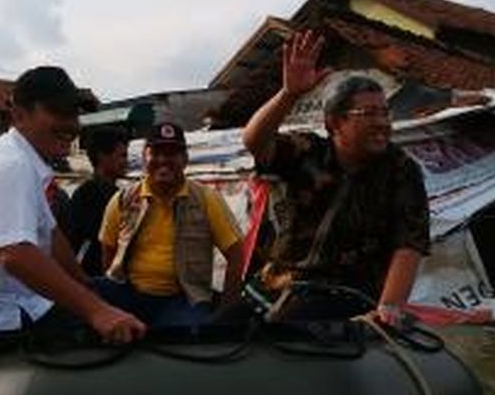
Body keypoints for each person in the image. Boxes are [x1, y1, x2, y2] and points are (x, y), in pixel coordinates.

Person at [0, 66, 146, 344]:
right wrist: (98, 312)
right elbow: (14, 254)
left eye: (74, 114)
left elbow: (50, 234)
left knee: (116, 294)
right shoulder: (11, 165)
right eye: (59, 113)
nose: (72, 125)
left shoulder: (26, 160)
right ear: (19, 115)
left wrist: (86, 285)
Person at [241, 31, 430, 322]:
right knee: (214, 335)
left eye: (384, 113)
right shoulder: (307, 151)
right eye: (368, 113)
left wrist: (390, 306)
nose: (382, 123)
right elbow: (255, 141)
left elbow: (409, 243)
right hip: (275, 285)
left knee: (286, 333)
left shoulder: (401, 170)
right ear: (335, 122)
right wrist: (289, 93)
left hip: (344, 296)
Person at [97, 122, 244, 328]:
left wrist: (225, 310)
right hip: (129, 292)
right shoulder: (123, 199)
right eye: (156, 152)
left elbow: (236, 253)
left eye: (172, 153)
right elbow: (108, 248)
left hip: (183, 299)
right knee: (79, 297)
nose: (163, 160)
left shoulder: (206, 199)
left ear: (185, 159)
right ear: (143, 157)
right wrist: (112, 289)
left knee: (177, 340)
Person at [68, 126, 129, 276]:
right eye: (122, 156)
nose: (126, 162)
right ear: (102, 156)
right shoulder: (87, 195)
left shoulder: (116, 193)